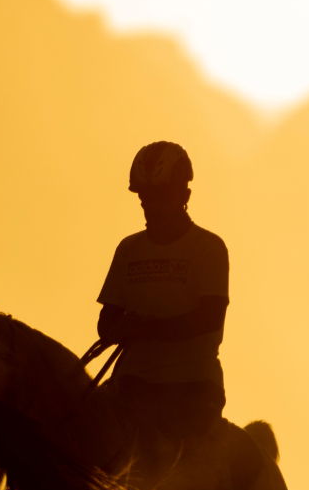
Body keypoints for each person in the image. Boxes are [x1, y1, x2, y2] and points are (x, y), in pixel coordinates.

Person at [95, 141, 230, 446]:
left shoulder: (209, 248)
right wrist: (122, 328)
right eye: (146, 199)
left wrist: (148, 328)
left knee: (191, 474)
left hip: (191, 388)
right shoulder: (128, 249)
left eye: (161, 198)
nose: (152, 207)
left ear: (184, 196)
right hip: (130, 386)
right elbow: (106, 323)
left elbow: (209, 318)